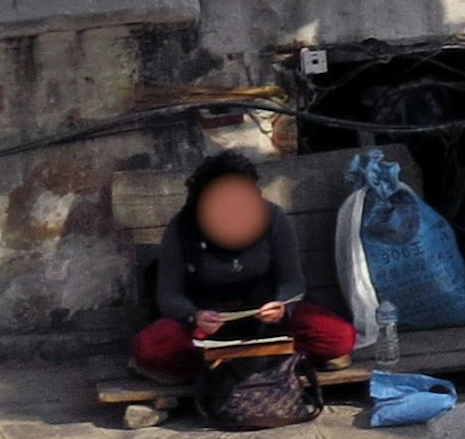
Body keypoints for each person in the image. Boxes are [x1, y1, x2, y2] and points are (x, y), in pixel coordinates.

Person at [130, 152, 354, 379]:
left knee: (339, 336)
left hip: (265, 323)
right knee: (149, 348)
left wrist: (282, 306)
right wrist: (193, 315)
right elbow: (168, 295)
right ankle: (256, 364)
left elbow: (293, 282)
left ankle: (236, 364)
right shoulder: (182, 227)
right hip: (206, 328)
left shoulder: (272, 217)